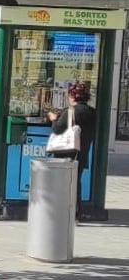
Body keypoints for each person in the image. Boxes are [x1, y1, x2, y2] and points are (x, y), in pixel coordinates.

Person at [47, 81, 97, 214]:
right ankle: (75, 211)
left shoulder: (70, 112)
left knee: (61, 182)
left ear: (73, 97)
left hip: (65, 153)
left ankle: (61, 210)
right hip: (81, 152)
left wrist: (53, 118)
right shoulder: (92, 112)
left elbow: (58, 129)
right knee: (75, 181)